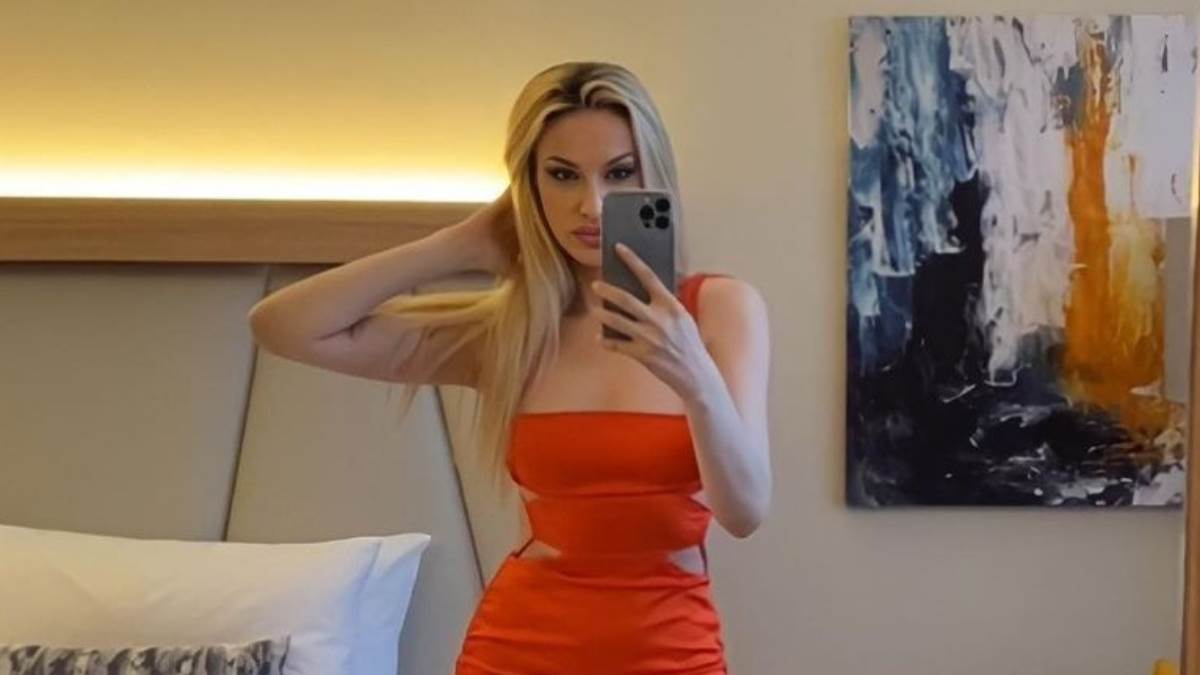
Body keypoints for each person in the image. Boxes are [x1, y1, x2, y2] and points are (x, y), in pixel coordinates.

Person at [248, 60, 771, 674]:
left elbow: (745, 511)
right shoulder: (512, 331)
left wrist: (693, 375)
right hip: (520, 647)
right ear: (529, 185)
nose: (591, 204)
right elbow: (282, 326)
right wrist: (459, 244)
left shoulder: (719, 309)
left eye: (618, 173)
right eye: (562, 175)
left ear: (654, 175)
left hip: (671, 650)